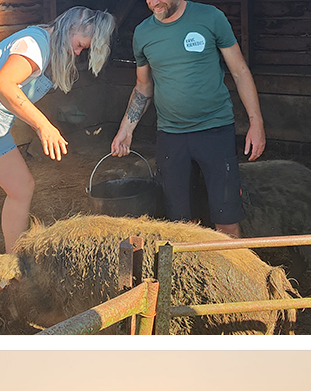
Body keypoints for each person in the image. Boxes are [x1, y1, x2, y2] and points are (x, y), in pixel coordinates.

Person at [0, 6, 116, 335]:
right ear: (73, 27)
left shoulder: (48, 50)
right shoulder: (36, 43)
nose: (81, 50)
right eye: (82, 43)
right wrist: (43, 126)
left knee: (22, 187)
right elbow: (5, 85)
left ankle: (8, 273)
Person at [110, 0, 265, 238]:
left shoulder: (211, 18)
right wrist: (126, 129)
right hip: (171, 136)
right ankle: (192, 273)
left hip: (216, 131)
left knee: (226, 220)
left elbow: (240, 71)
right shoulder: (143, 32)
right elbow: (143, 85)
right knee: (182, 224)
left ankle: (229, 273)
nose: (153, 3)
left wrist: (256, 123)